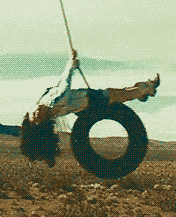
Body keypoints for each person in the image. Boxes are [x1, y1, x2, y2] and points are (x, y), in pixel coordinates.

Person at [20, 50, 160, 167]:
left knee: (118, 93)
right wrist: (70, 66)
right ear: (44, 119)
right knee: (118, 95)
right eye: (41, 116)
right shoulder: (55, 103)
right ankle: (147, 88)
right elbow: (64, 87)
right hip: (91, 100)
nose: (37, 113)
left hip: (83, 103)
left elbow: (56, 86)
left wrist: (70, 63)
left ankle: (141, 92)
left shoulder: (36, 111)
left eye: (36, 114)